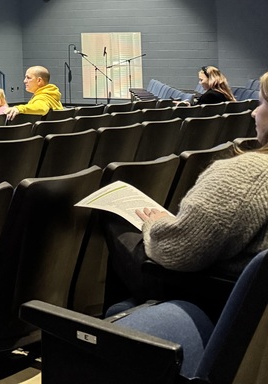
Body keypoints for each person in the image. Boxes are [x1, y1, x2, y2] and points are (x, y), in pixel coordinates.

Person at [107, 71, 268, 300]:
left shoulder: (244, 175)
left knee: (118, 222)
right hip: (250, 297)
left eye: (261, 103)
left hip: (217, 297)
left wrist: (153, 223)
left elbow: (177, 252)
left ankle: (114, 324)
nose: (253, 111)